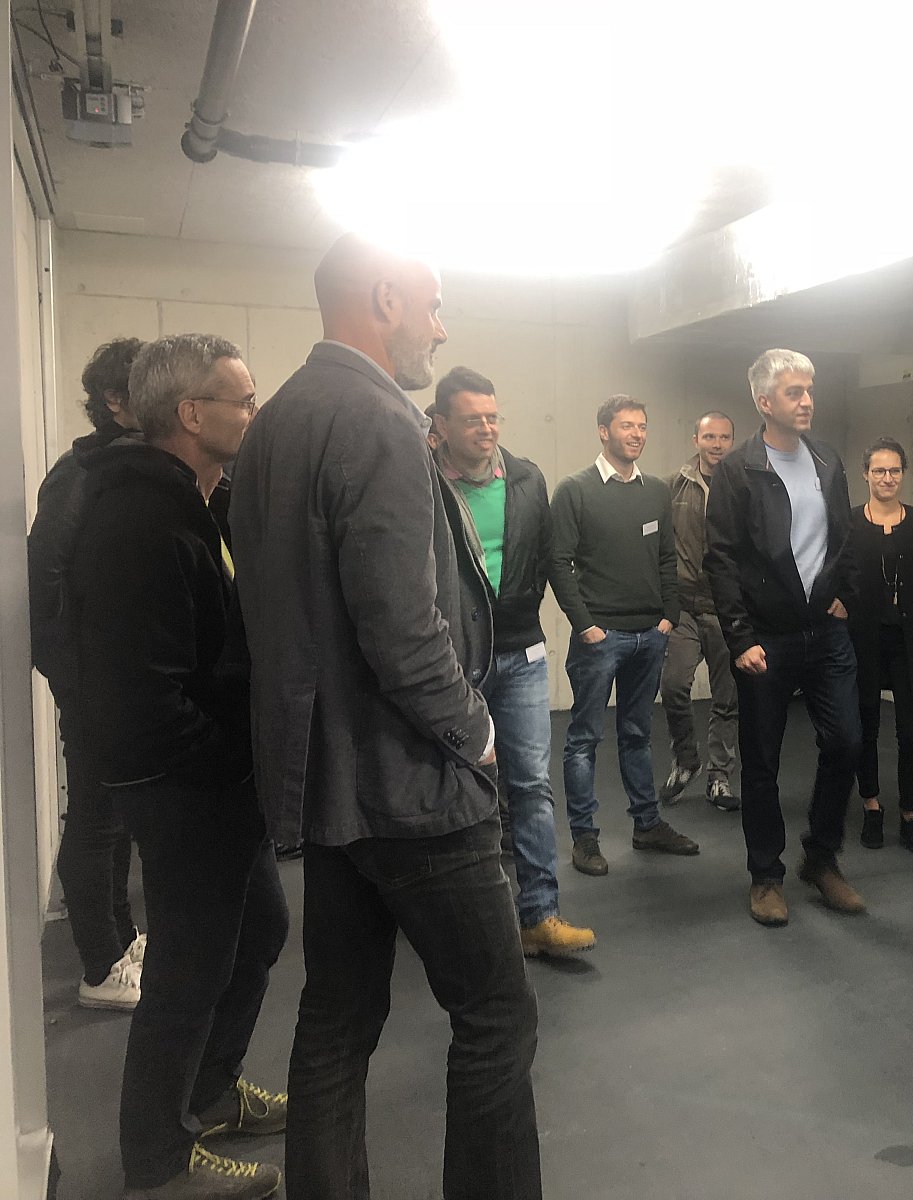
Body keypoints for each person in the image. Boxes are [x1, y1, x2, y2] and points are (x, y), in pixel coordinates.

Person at [230, 235, 542, 1200]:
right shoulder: (378, 420)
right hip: (412, 785)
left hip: (329, 786)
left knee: (336, 1020)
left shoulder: (275, 421)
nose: (440, 329)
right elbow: (402, 628)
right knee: (497, 1017)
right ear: (383, 299)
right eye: (432, 305)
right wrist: (475, 732)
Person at [73, 334, 289, 1200]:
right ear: (193, 414)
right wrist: (230, 764)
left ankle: (208, 1093)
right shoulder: (138, 519)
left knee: (259, 932)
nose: (255, 412)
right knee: (188, 968)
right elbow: (144, 696)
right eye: (244, 399)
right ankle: (158, 1164)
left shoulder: (201, 502)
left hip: (216, 781)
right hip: (182, 785)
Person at [431, 365, 594, 959]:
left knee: (530, 783)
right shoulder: (423, 480)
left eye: (492, 417)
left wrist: (552, 612)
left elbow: (547, 556)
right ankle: (461, 918)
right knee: (455, 786)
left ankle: (540, 915)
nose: (486, 428)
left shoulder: (526, 477)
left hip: (522, 650)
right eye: (472, 419)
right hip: (453, 659)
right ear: (440, 424)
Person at [703, 348, 863, 926]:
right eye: (795, 392)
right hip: (764, 639)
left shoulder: (827, 460)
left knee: (846, 742)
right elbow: (721, 559)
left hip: (825, 632)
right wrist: (739, 637)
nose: (807, 401)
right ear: (764, 402)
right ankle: (766, 875)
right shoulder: (737, 470)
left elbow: (843, 535)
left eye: (810, 389)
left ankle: (821, 858)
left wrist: (844, 593)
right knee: (762, 762)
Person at [28, 336, 146, 1012]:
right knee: (98, 817)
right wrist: (70, 673)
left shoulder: (125, 466)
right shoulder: (79, 472)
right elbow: (43, 572)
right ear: (115, 400)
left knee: (118, 814)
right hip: (93, 678)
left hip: (120, 676)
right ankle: (100, 967)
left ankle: (122, 939)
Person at [549, 394, 698, 876]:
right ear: (603, 431)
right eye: (626, 426)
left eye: (642, 426)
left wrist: (669, 614)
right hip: (600, 638)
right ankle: (584, 838)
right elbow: (558, 562)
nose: (636, 434)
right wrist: (585, 625)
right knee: (584, 738)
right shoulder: (575, 490)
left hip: (650, 634)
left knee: (637, 734)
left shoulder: (655, 491)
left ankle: (647, 825)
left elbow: (667, 557)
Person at [846, 437, 913, 858]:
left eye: (894, 470)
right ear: (865, 474)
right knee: (865, 728)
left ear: (903, 473)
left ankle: (910, 815)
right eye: (879, 470)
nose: (887, 478)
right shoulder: (849, 523)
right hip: (864, 642)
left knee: (912, 734)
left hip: (910, 643)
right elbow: (837, 578)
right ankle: (871, 806)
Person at [659, 411, 741, 812]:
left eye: (724, 437)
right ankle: (687, 758)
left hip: (727, 608)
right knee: (674, 685)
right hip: (685, 608)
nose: (717, 444)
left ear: (731, 442)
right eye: (709, 436)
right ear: (696, 440)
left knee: (727, 698)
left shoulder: (743, 486)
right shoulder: (673, 486)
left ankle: (719, 777)